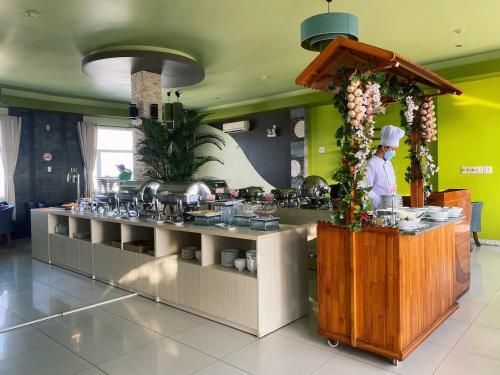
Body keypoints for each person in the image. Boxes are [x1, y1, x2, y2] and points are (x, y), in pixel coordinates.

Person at [365, 125, 405, 208]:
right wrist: (382, 201)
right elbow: (367, 189)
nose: (394, 153)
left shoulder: (388, 163)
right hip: (379, 207)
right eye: (393, 149)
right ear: (384, 147)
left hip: (392, 206)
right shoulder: (371, 164)